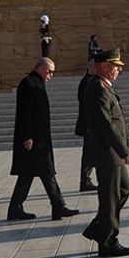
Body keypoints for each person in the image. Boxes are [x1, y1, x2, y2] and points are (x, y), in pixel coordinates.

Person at [7, 57, 79, 221]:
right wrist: (27, 136)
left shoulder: (36, 83)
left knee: (28, 174)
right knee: (46, 173)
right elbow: (24, 113)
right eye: (50, 71)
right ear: (40, 68)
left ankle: (15, 209)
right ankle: (58, 207)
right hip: (33, 141)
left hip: (39, 140)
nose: (51, 75)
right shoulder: (29, 83)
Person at [81, 49, 129, 257]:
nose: (119, 70)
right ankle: (107, 241)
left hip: (112, 152)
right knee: (110, 197)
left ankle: (98, 228)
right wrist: (124, 151)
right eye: (116, 66)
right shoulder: (98, 89)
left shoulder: (105, 87)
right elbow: (106, 125)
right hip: (107, 153)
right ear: (104, 66)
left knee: (123, 190)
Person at [75, 59, 98, 192]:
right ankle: (85, 181)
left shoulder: (88, 81)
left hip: (89, 125)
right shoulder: (88, 82)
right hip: (89, 125)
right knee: (89, 153)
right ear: (92, 68)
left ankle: (86, 180)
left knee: (89, 153)